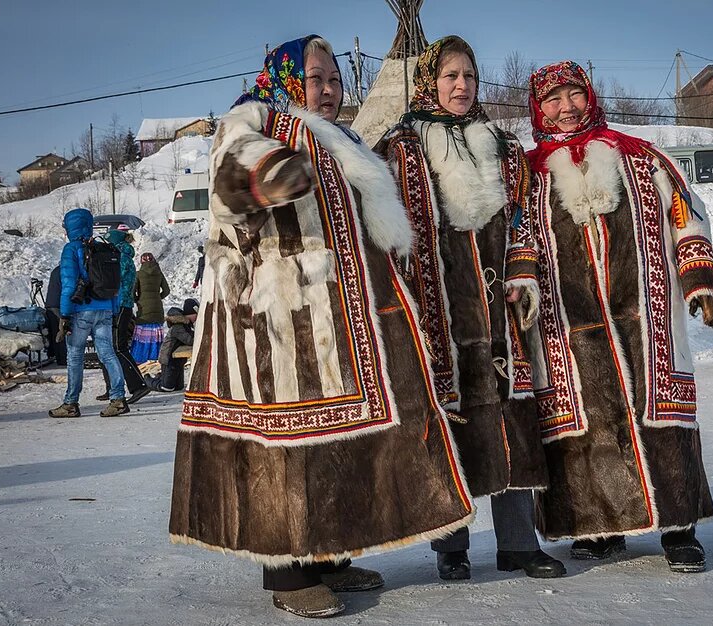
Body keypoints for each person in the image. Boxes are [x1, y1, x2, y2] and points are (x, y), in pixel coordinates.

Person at [169, 35, 474, 619]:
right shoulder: (256, 117)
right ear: (287, 79)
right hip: (278, 316)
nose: (328, 89)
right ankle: (287, 571)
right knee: (286, 440)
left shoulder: (344, 138)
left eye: (334, 79)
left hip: (340, 319)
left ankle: (331, 555)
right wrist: (271, 175)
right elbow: (232, 176)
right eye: (316, 78)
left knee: (339, 439)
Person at [376, 35, 564, 582]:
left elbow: (527, 215)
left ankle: (518, 544)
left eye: (471, 77)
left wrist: (524, 268)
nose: (462, 87)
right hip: (439, 314)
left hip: (500, 312)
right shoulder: (401, 148)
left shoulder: (502, 147)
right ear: (430, 81)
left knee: (511, 416)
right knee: (451, 425)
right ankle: (451, 548)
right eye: (451, 76)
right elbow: (389, 234)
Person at [525, 61, 713, 573]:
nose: (565, 108)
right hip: (567, 326)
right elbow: (515, 241)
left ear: (589, 97)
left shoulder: (638, 157)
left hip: (647, 316)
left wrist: (698, 277)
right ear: (538, 109)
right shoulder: (525, 175)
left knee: (661, 415)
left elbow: (685, 210)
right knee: (587, 426)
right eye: (553, 100)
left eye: (574, 96)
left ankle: (680, 529)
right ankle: (599, 528)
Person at [48, 208, 130, 418]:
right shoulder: (102, 248)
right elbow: (115, 285)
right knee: (108, 355)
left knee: (75, 356)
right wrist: (113, 311)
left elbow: (68, 285)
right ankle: (118, 399)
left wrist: (64, 316)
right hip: (104, 310)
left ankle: (70, 403)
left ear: (70, 227)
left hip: (80, 312)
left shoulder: (71, 249)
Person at [98, 227, 150, 404]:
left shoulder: (121, 258)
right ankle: (113, 387)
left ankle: (138, 386)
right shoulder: (120, 256)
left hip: (121, 306)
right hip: (118, 306)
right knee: (110, 347)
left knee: (118, 347)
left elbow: (113, 281)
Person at [145, 298, 197, 392]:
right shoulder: (178, 326)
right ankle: (146, 380)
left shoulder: (186, 325)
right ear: (190, 313)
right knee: (167, 387)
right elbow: (190, 340)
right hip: (168, 360)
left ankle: (161, 376)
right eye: (196, 314)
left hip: (177, 360)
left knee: (178, 387)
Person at [131, 252, 169, 363]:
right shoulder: (159, 274)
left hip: (144, 309)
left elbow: (132, 292)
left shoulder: (138, 274)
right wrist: (158, 297)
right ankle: (155, 357)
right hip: (157, 308)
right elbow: (167, 291)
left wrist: (138, 300)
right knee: (155, 334)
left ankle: (140, 357)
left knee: (143, 333)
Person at [44, 265, 67, 366]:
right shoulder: (66, 271)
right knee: (61, 332)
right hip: (58, 305)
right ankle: (63, 359)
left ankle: (53, 354)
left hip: (50, 304)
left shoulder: (56, 270)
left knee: (54, 332)